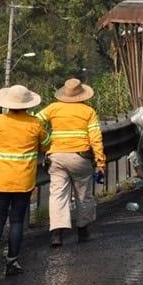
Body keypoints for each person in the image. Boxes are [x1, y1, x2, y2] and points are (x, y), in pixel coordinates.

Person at [0, 84, 50, 277]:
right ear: (27, 105)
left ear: (7, 104)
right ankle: (12, 261)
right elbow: (46, 145)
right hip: (23, 181)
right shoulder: (35, 124)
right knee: (17, 220)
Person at [37, 78, 105, 246]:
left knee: (58, 194)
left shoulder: (53, 108)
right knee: (83, 195)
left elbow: (35, 123)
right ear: (82, 95)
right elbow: (96, 138)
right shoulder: (88, 112)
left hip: (56, 157)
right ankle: (82, 230)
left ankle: (56, 234)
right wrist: (100, 161)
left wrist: (44, 142)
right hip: (80, 158)